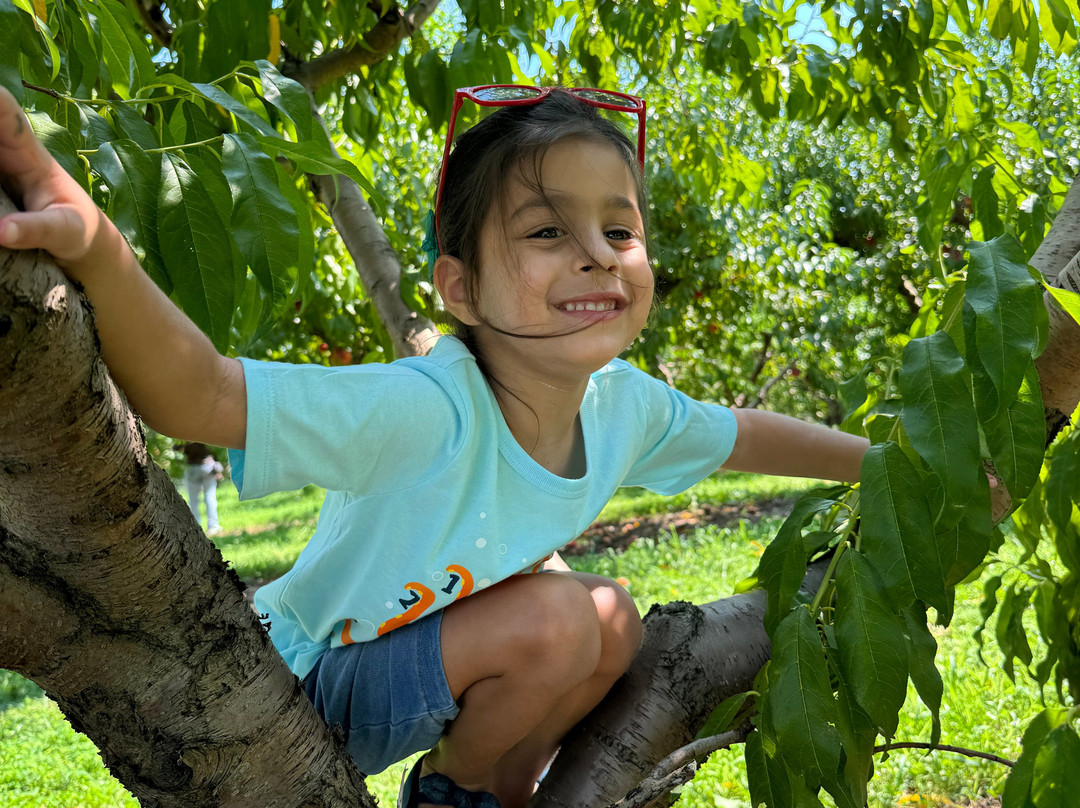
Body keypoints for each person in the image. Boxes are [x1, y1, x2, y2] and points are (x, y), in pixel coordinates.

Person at [0, 84, 871, 808]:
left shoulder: (623, 409)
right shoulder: (427, 408)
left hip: (436, 665)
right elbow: (210, 396)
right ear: (459, 287)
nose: (599, 257)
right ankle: (457, 793)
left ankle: (502, 787)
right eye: (545, 231)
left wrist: (888, 466)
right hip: (313, 678)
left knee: (609, 621)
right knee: (569, 617)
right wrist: (101, 250)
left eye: (621, 229)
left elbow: (743, 433)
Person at [180, 442, 224, 535]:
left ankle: (195, 527)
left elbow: (176, 446)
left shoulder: (183, 434)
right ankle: (213, 526)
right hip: (207, 466)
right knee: (210, 497)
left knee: (193, 500)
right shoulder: (202, 432)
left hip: (192, 467)